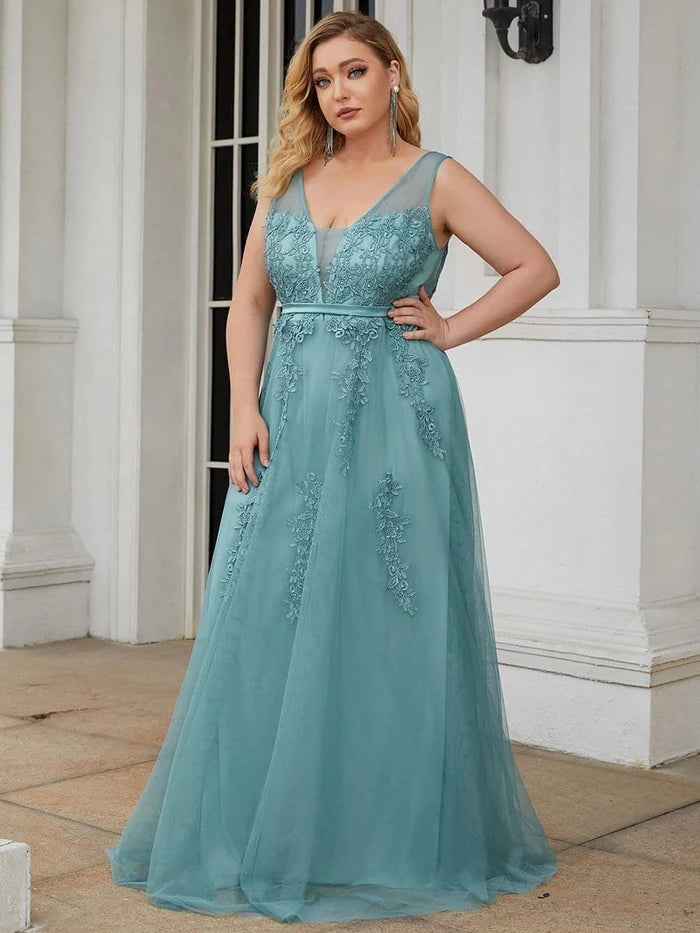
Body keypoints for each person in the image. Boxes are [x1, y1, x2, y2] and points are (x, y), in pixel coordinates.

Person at [106, 10, 560, 925]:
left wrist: (450, 328)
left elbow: (532, 267)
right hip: (289, 421)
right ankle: (270, 822)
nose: (339, 91)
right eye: (322, 79)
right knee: (264, 609)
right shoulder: (287, 181)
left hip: (397, 425)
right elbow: (249, 303)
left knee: (384, 612)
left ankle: (374, 832)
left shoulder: (437, 178)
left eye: (355, 71)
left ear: (392, 74)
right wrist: (242, 408)